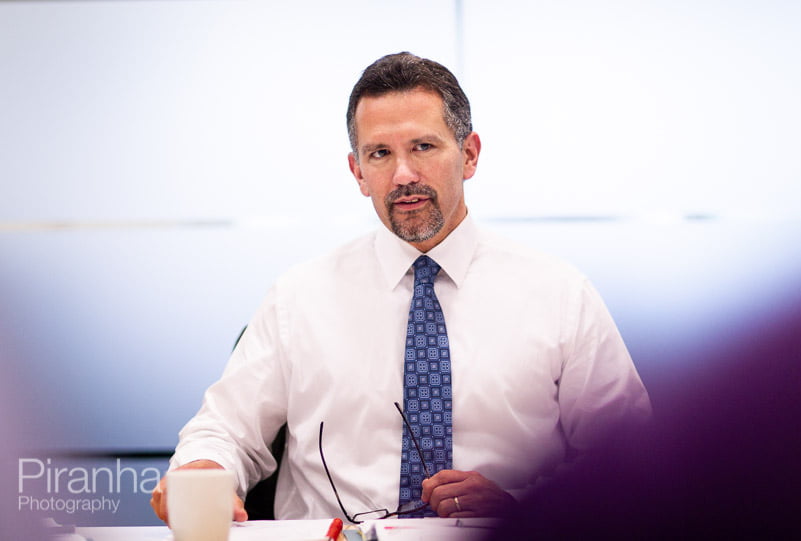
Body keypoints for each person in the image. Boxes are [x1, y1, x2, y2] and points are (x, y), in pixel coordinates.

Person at [151, 51, 651, 523]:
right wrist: (203, 469)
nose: (403, 175)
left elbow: (629, 461)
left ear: (470, 155)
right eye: (380, 154)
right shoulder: (298, 296)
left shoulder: (560, 295)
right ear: (358, 172)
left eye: (424, 147)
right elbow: (223, 429)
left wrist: (521, 510)